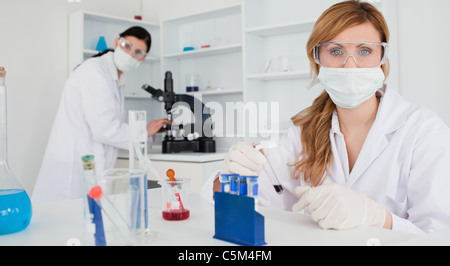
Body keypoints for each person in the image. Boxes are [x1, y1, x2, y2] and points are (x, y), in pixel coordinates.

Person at [204, 0, 450, 234]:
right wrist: (229, 179)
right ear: (318, 60)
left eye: (364, 50)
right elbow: (257, 203)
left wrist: (379, 218)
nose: (350, 65)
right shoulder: (302, 134)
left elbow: (440, 235)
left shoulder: (423, 132)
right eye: (335, 50)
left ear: (382, 59)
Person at [32, 26, 171, 203]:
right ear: (116, 42)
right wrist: (144, 132)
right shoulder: (94, 72)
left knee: (85, 222)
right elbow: (104, 129)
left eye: (138, 52)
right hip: (72, 168)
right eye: (126, 46)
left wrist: (148, 133)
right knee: (65, 222)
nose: (130, 54)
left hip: (88, 166)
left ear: (142, 60)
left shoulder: (114, 78)